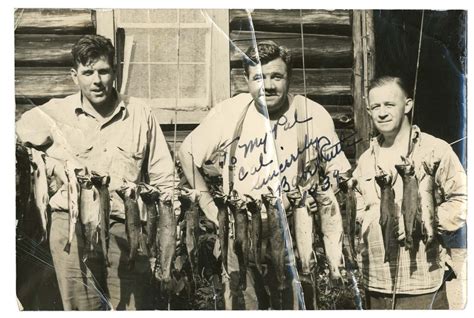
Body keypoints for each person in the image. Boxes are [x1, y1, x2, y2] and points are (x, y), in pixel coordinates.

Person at [178, 41, 351, 309]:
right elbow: (187, 153)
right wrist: (209, 207)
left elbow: (339, 172)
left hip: (294, 230)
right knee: (241, 305)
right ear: (246, 79)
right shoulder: (230, 112)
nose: (268, 85)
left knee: (296, 305)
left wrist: (323, 197)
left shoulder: (312, 113)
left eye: (276, 76)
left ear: (289, 78)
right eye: (259, 77)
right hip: (241, 229)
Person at [16, 34, 177, 310]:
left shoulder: (140, 114)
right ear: (74, 76)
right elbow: (14, 137)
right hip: (71, 227)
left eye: (103, 71)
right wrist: (49, 163)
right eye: (87, 72)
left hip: (127, 228)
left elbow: (165, 177)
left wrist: (168, 232)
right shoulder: (54, 112)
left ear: (115, 71)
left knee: (133, 308)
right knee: (81, 309)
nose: (96, 80)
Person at [353, 75, 467, 309]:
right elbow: (358, 209)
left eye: (389, 104)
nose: (382, 113)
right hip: (375, 284)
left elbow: (463, 199)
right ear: (368, 110)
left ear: (407, 105)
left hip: (422, 285)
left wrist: (428, 222)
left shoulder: (436, 149)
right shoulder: (365, 160)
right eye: (375, 106)